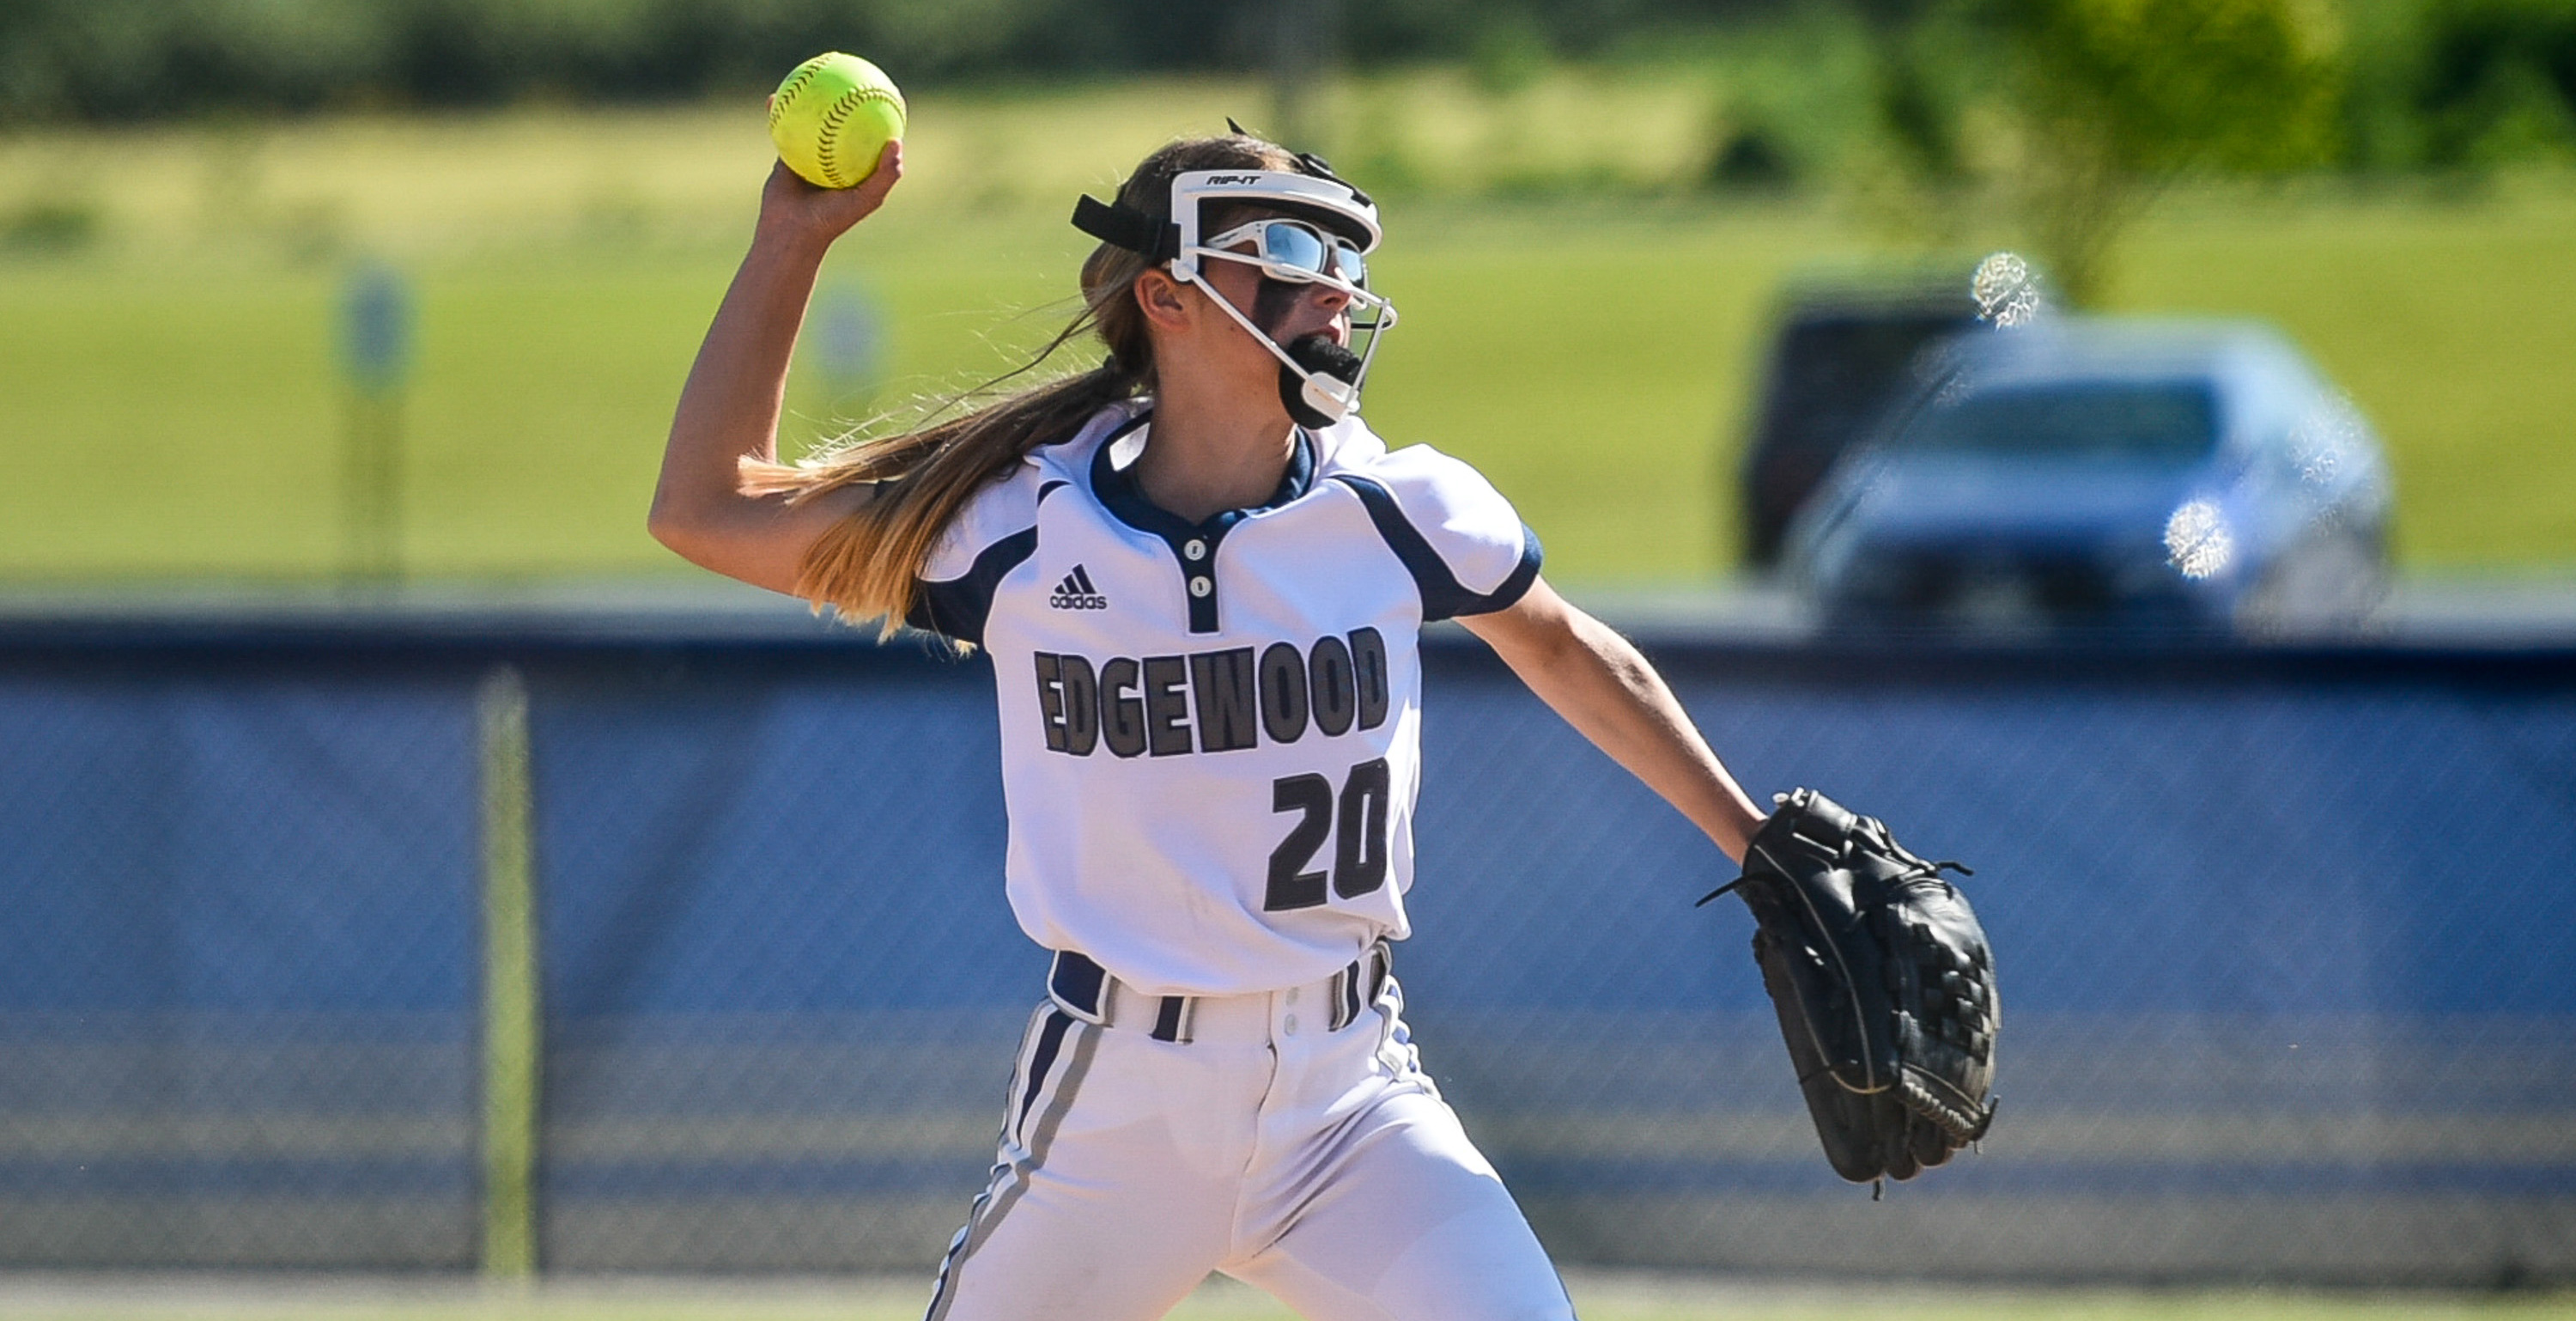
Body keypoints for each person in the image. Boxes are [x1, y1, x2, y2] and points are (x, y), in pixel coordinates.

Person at [649, 131, 1769, 1321]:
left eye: (1339, 252)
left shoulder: (1398, 508)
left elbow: (1561, 645)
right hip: (1120, 1103)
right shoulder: (1022, 529)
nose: (1331, 286)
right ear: (1167, 297)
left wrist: (1757, 844)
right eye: (1284, 252)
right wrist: (792, 239)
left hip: (1351, 1104)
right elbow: (706, 506)